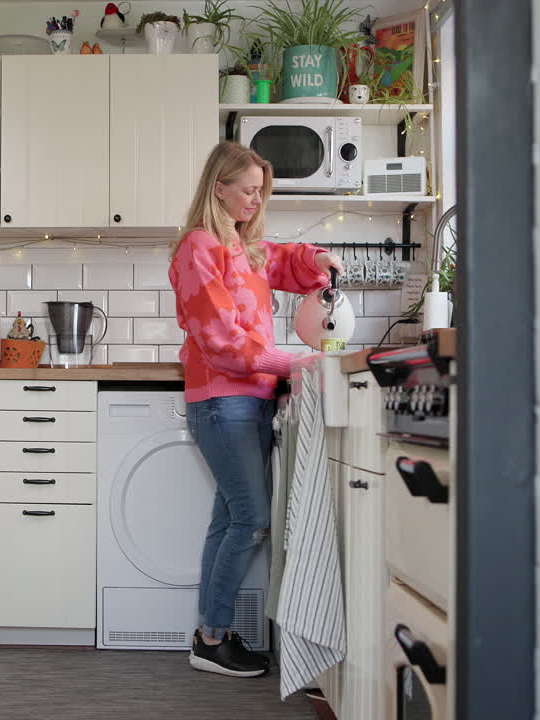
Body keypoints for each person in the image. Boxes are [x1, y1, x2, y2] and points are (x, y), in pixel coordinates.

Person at [169, 141, 343, 678]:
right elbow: (220, 337)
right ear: (217, 186)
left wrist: (319, 260)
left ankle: (209, 635)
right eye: (247, 189)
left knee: (229, 518)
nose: (254, 199)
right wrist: (288, 362)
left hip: (246, 401)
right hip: (223, 401)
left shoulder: (244, 248)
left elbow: (285, 260)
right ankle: (211, 638)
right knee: (249, 518)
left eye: (260, 191)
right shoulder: (199, 247)